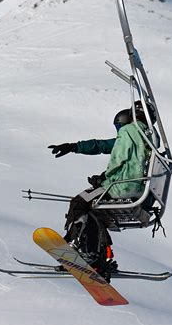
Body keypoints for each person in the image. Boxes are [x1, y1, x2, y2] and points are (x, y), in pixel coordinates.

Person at [48, 101, 155, 278]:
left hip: (122, 187)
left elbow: (118, 159)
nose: (119, 131)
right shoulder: (148, 137)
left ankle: (88, 253)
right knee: (97, 214)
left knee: (79, 203)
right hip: (138, 190)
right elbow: (102, 145)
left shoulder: (129, 132)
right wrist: (74, 147)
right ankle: (101, 258)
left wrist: (104, 178)